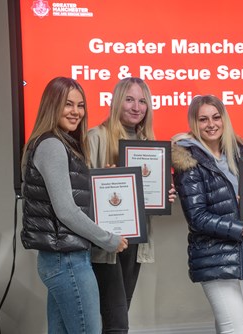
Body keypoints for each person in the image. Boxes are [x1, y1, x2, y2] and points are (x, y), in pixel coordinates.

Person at [20, 77, 128, 333]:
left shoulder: (61, 143)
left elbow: (69, 196)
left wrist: (105, 179)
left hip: (62, 259)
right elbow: (66, 210)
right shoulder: (52, 145)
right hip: (67, 261)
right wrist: (108, 240)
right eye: (68, 104)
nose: (76, 112)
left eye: (80, 105)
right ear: (51, 105)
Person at [171, 95, 243, 334]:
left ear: (224, 119)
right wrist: (242, 227)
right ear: (194, 123)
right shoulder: (188, 160)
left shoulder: (237, 153)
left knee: (227, 326)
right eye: (203, 119)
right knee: (235, 329)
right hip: (213, 254)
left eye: (216, 117)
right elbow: (197, 218)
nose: (211, 124)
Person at [88, 77, 176, 333]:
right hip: (106, 243)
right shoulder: (96, 136)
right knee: (117, 324)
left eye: (142, 101)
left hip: (135, 243)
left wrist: (162, 196)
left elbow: (145, 198)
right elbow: (78, 193)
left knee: (119, 313)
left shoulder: (150, 145)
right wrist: (105, 181)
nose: (136, 107)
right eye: (129, 99)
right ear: (116, 101)